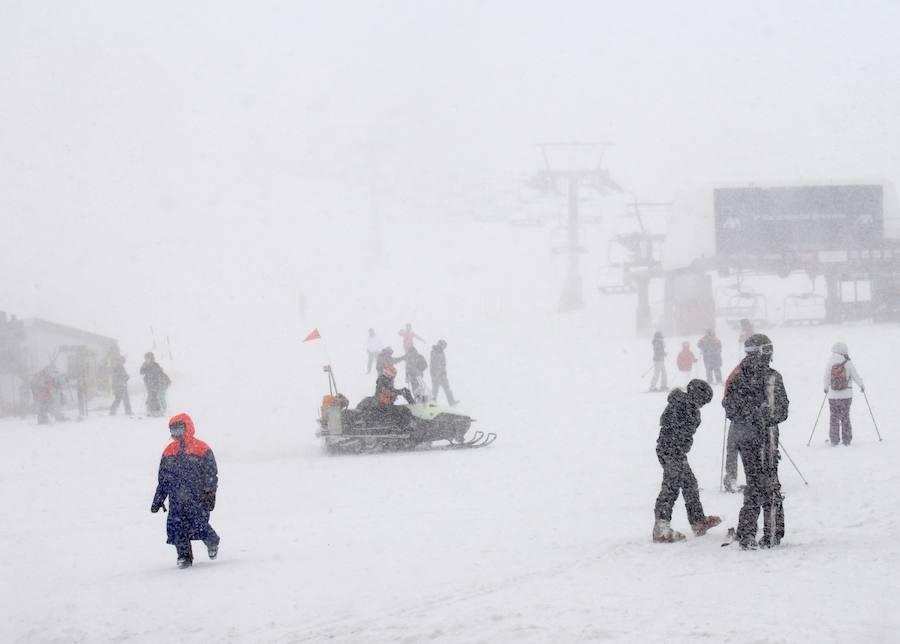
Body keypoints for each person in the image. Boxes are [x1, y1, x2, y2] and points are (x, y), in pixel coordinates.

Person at [722, 334, 790, 549]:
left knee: (758, 484)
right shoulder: (762, 376)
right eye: (767, 350)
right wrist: (757, 416)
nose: (770, 354)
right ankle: (764, 533)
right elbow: (730, 407)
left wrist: (761, 416)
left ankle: (755, 532)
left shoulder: (744, 374)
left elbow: (782, 409)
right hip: (757, 438)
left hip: (754, 437)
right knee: (765, 484)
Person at [652, 379, 721, 542]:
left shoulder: (687, 406)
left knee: (689, 484)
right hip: (671, 450)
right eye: (703, 401)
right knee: (671, 487)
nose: (702, 405)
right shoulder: (681, 404)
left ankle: (698, 521)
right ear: (696, 395)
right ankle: (661, 528)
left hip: (675, 451)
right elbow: (672, 427)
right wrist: (678, 443)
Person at [151, 413, 220, 569]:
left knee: (199, 524)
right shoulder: (169, 451)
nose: (176, 433)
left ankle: (212, 541)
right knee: (176, 527)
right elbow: (163, 479)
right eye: (173, 430)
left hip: (198, 497)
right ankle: (184, 556)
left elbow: (211, 474)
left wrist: (210, 493)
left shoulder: (202, 448)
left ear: (188, 427)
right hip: (176, 498)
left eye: (179, 429)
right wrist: (159, 499)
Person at [823, 341, 864, 446]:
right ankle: (846, 439)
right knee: (845, 417)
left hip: (833, 396)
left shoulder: (830, 363)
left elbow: (826, 377)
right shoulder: (848, 363)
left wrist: (826, 388)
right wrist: (861, 385)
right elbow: (855, 375)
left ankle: (834, 439)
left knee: (834, 418)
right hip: (846, 396)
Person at [140, 352, 171, 417]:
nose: (147, 359)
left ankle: (158, 411)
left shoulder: (155, 365)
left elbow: (159, 372)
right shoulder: (145, 365)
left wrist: (152, 372)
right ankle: (151, 410)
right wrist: (146, 368)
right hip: (149, 383)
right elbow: (141, 372)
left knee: (155, 397)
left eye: (148, 358)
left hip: (155, 383)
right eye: (146, 358)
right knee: (151, 397)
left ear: (151, 358)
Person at [430, 339, 458, 406]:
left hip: (442, 374)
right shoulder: (435, 352)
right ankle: (432, 404)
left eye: (445, 346)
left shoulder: (441, 352)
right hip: (436, 375)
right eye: (444, 345)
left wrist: (443, 372)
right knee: (435, 390)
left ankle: (452, 402)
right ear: (440, 345)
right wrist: (434, 374)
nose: (444, 347)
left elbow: (442, 364)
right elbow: (433, 364)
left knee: (447, 388)